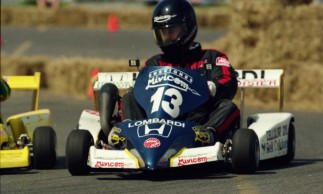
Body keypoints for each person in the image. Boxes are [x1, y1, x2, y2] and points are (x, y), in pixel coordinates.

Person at [99, 0, 240, 143]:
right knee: (130, 97)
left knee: (228, 107)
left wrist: (211, 87)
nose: (167, 37)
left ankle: (206, 137)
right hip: (153, 122)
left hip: (196, 122)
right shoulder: (154, 63)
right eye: (163, 33)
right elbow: (142, 92)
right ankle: (128, 136)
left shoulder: (211, 58)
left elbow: (228, 81)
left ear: (188, 28)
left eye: (171, 31)